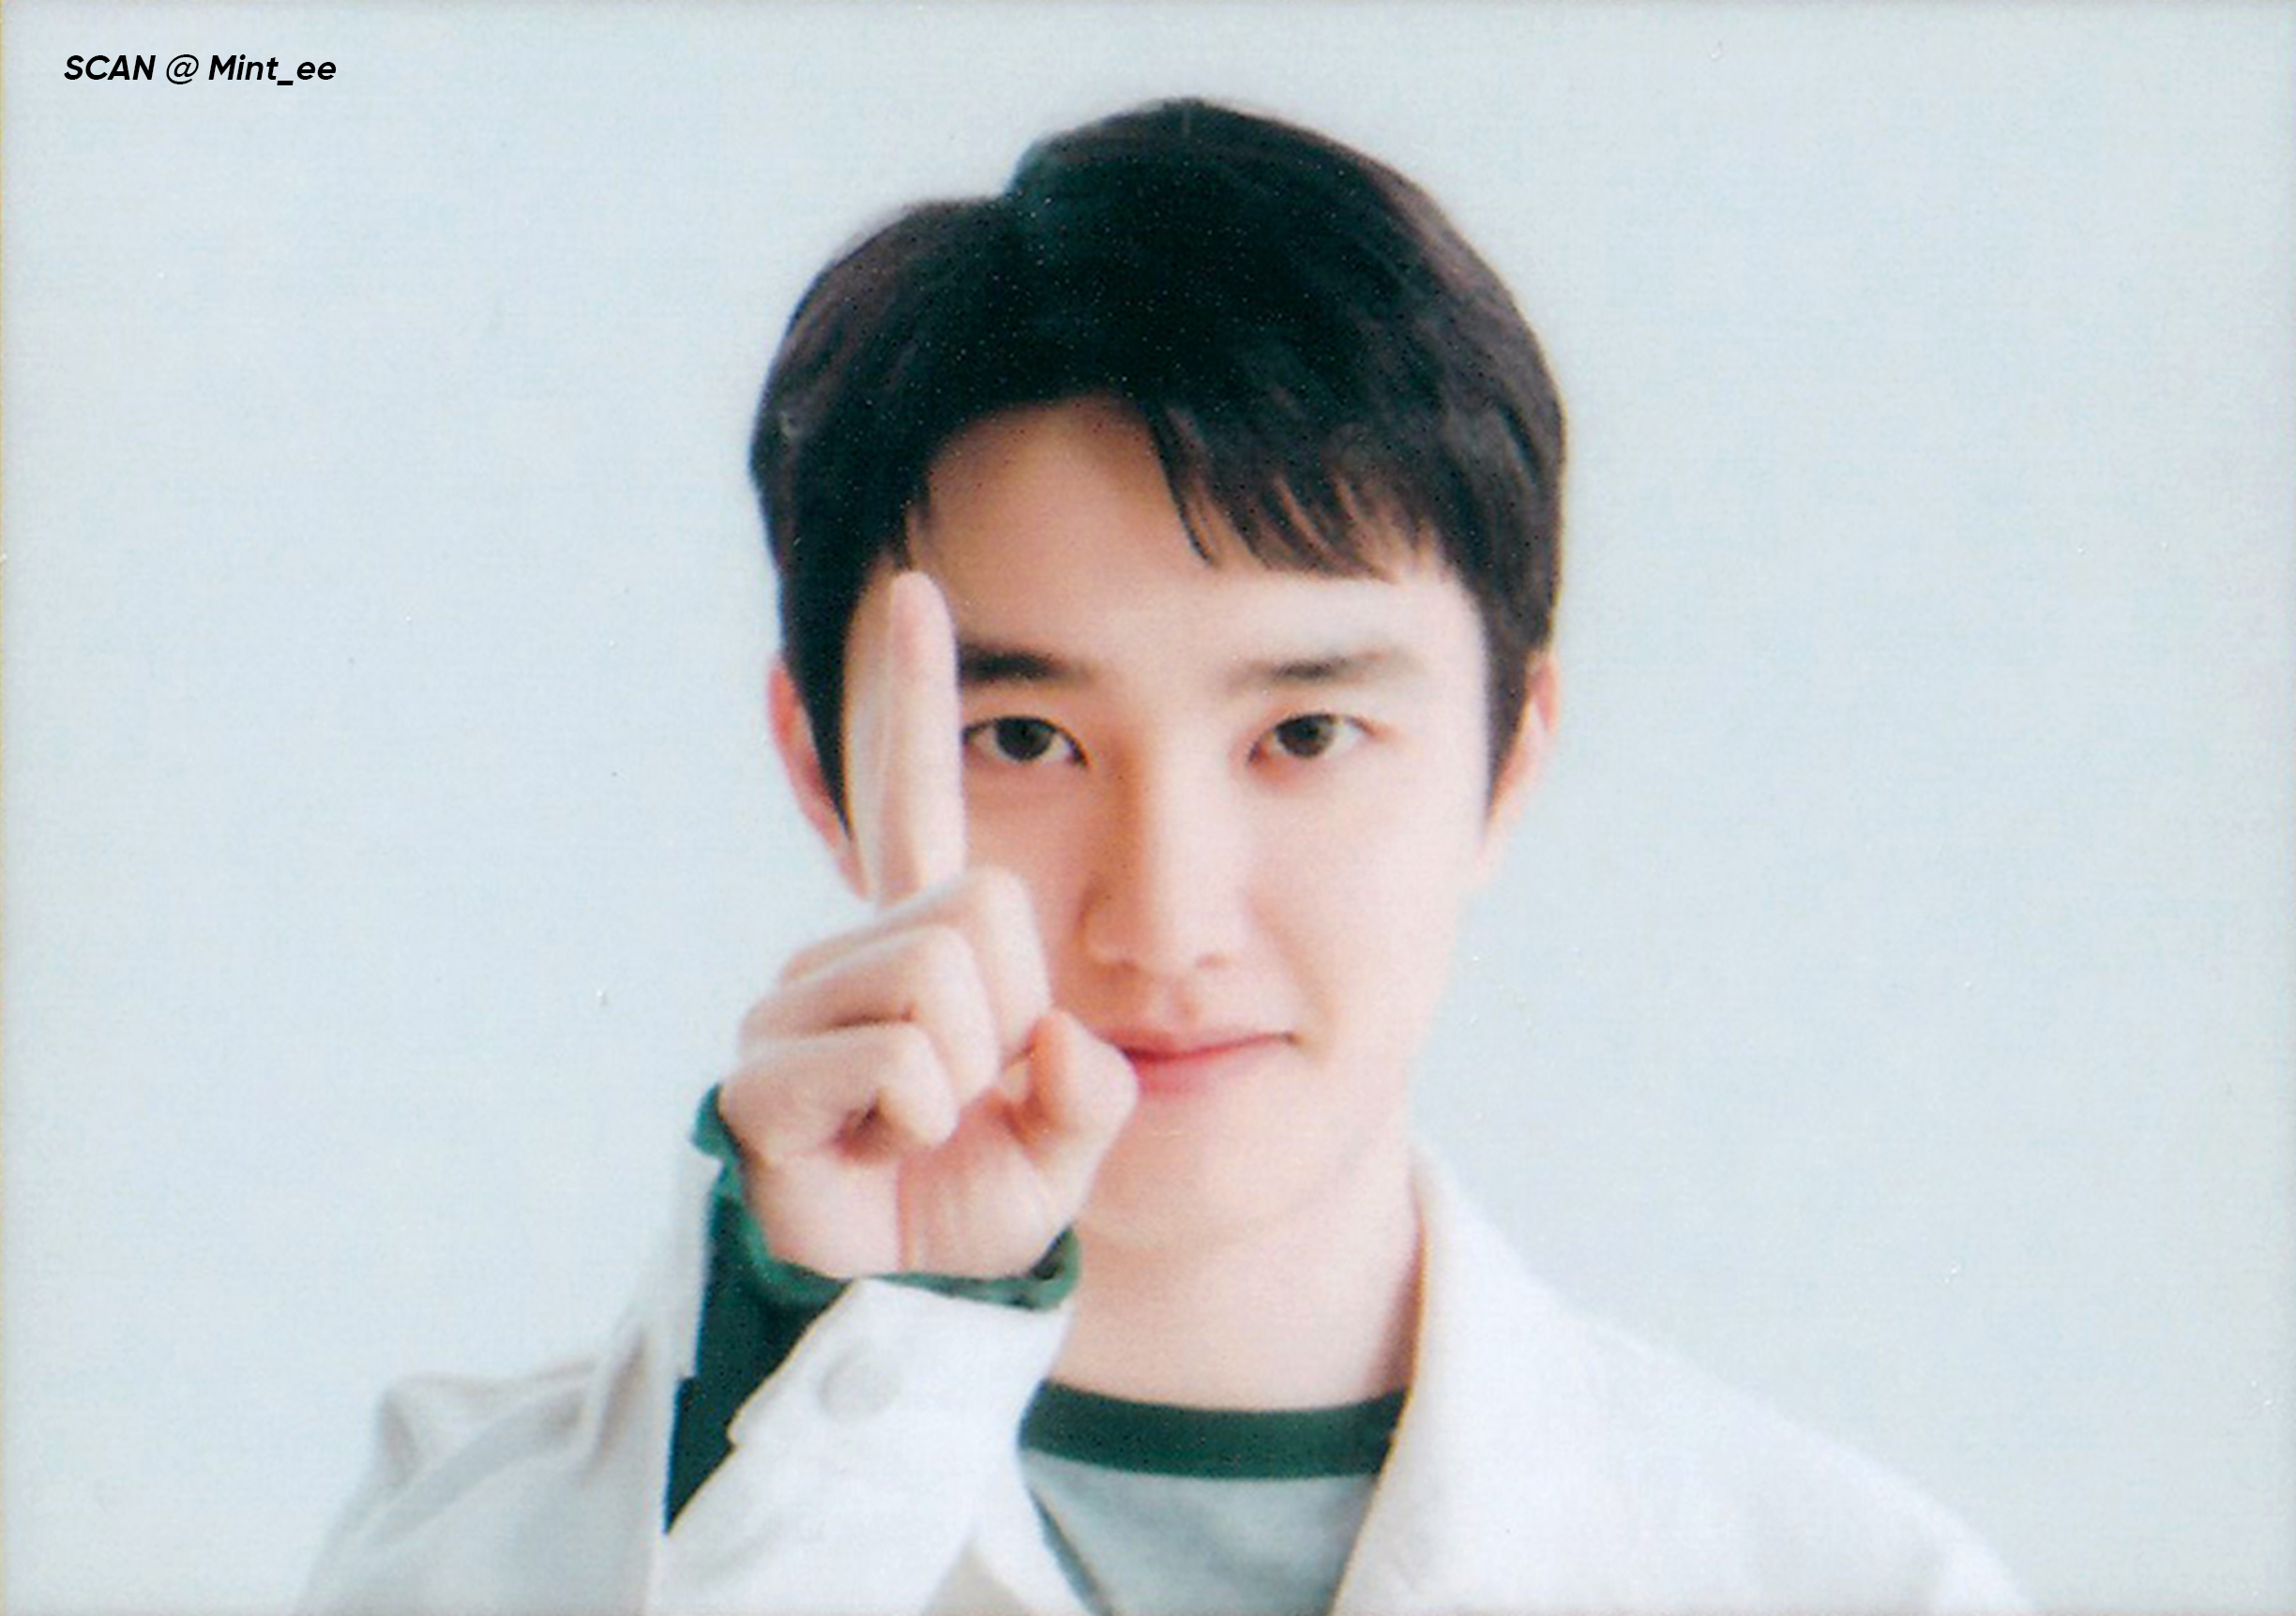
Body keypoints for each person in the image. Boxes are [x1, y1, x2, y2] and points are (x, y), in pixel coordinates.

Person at [303, 98, 2024, 1615]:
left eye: (1307, 734)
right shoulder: (494, 1545)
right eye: (1024, 741)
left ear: (1511, 761)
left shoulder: (1859, 1585)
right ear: (822, 771)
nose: (1167, 923)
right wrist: (831, 1378)